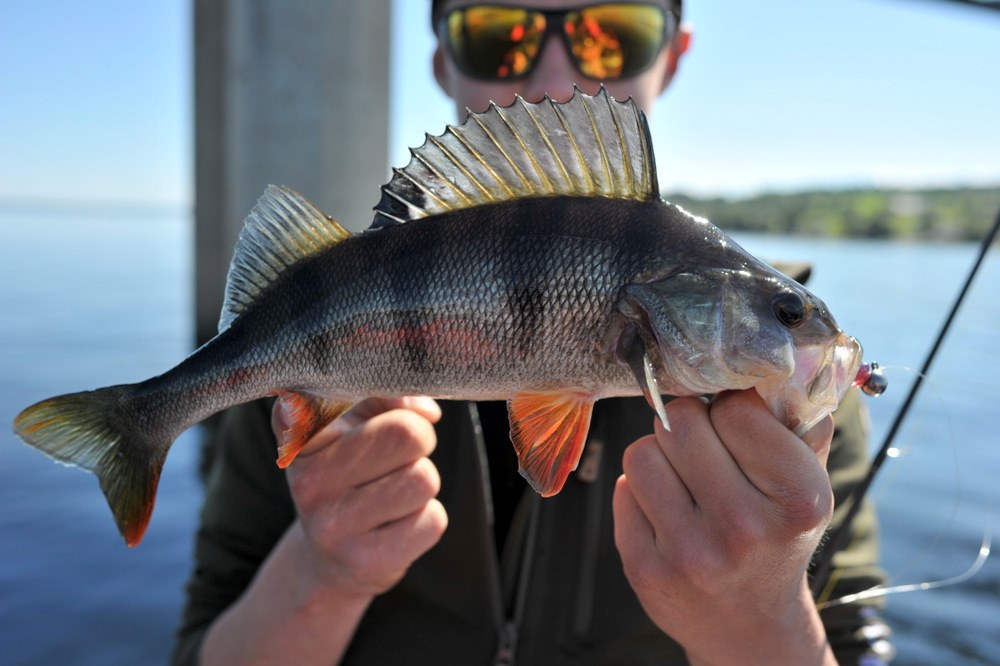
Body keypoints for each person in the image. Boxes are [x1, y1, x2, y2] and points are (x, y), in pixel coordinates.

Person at [173, 1, 892, 663]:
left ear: (672, 57)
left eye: (612, 34)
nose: (556, 76)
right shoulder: (316, 315)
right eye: (497, 34)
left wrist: (761, 626)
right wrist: (316, 574)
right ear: (441, 63)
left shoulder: (791, 389)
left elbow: (857, 649)